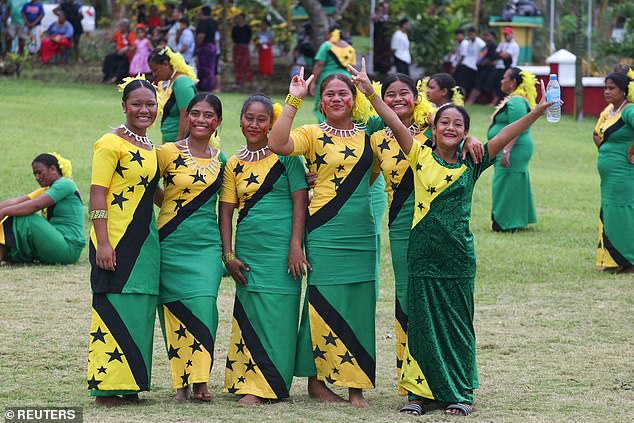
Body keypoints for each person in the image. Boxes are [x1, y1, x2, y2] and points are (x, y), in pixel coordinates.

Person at [349, 57, 552, 417]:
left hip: (457, 257)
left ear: (464, 131)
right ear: (434, 126)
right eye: (445, 121)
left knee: (457, 325)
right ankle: (417, 395)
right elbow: (395, 123)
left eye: (459, 124)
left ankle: (460, 392)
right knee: (420, 321)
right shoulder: (418, 154)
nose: (451, 127)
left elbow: (504, 135)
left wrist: (537, 111)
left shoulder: (473, 162)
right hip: (421, 254)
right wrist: (370, 91)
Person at [269, 71, 383, 408]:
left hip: (361, 231)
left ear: (354, 98)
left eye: (343, 93)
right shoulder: (312, 133)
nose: (336, 99)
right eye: (329, 94)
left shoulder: (369, 137)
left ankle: (356, 386)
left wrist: (372, 92)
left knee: (361, 304)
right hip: (325, 230)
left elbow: (372, 175)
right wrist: (294, 99)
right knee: (322, 303)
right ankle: (317, 382)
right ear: (320, 101)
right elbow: (278, 143)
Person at [370, 73, 483, 399]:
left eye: (404, 92)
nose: (397, 99)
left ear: (416, 97)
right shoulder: (377, 137)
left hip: (435, 225)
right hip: (401, 226)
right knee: (407, 302)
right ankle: (413, 384)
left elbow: (455, 129)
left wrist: (470, 138)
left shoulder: (432, 126)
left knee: (440, 302)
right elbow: (356, 174)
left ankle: (447, 375)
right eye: (389, 94)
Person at [219, 95, 309, 405]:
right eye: (249, 118)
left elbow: (301, 201)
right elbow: (226, 213)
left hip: (283, 251)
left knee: (279, 317)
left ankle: (270, 387)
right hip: (249, 252)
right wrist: (228, 255)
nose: (255, 124)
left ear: (271, 124)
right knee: (250, 316)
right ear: (240, 121)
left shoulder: (287, 158)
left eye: (262, 119)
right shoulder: (233, 163)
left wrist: (295, 246)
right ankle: (246, 381)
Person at [86, 77, 161, 407]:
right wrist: (103, 243)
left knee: (140, 308)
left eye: (150, 104)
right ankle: (107, 389)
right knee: (113, 306)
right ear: (124, 107)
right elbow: (97, 193)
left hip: (145, 241)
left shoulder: (150, 148)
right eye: (137, 104)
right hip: (115, 240)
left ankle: (130, 384)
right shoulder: (109, 143)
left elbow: (156, 194)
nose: (144, 110)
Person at [155, 93, 226, 401]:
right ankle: (182, 383)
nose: (200, 119)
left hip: (206, 247)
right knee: (175, 312)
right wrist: (171, 205)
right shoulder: (167, 152)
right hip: (170, 242)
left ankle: (202, 380)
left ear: (218, 122)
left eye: (207, 115)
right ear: (186, 118)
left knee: (204, 308)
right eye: (194, 113)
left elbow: (241, 195)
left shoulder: (222, 160)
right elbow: (142, 184)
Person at [0, 153, 85, 265]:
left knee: (27, 217)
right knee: (18, 211)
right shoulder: (48, 189)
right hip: (56, 244)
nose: (37, 178)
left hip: (69, 247)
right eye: (35, 174)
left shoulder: (65, 184)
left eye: (39, 172)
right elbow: (18, 201)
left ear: (53, 169)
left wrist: (4, 212)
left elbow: (36, 205)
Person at [593, 71, 634, 273]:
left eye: (612, 88)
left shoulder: (628, 110)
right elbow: (597, 133)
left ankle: (629, 261)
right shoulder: (611, 110)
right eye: (605, 87)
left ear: (624, 91)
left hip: (622, 174)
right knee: (610, 213)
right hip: (609, 176)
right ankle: (613, 260)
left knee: (622, 214)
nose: (607, 92)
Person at [488, 67, 538, 232]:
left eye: (504, 78)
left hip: (514, 149)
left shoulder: (517, 101)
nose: (501, 81)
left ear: (513, 83)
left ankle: (505, 222)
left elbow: (517, 127)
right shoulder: (513, 99)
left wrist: (506, 150)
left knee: (506, 182)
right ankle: (512, 219)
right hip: (511, 147)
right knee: (509, 182)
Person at [149, 47, 197, 143]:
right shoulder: (166, 83)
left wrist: (179, 144)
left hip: (180, 142)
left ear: (166, 64)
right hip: (169, 140)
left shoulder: (182, 82)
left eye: (156, 70)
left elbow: (187, 115)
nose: (154, 74)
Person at [309, 24, 356, 121]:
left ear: (329, 34)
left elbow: (319, 64)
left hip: (327, 78)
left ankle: (324, 128)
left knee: (323, 104)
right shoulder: (350, 48)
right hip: (346, 78)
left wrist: (313, 82)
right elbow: (352, 68)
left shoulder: (326, 45)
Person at [466, 30, 498, 105]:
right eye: (485, 35)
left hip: (490, 69)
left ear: (493, 37)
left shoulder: (494, 46)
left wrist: (485, 62)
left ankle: (471, 100)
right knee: (479, 84)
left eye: (488, 35)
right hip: (483, 68)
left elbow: (493, 58)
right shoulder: (486, 46)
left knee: (482, 85)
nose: (486, 37)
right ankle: (471, 100)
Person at [489, 27, 520, 106]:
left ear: (511, 35)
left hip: (509, 67)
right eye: (505, 34)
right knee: (494, 82)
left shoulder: (514, 45)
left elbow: (505, 55)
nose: (506, 36)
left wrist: (499, 54)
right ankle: (495, 100)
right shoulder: (502, 43)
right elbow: (496, 54)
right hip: (500, 67)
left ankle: (496, 101)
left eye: (507, 34)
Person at [453, 27, 484, 99]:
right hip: (466, 64)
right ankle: (459, 97)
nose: (470, 36)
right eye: (469, 34)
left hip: (474, 66)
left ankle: (462, 97)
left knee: (464, 82)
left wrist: (480, 62)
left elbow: (483, 53)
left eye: (472, 34)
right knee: (459, 80)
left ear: (475, 34)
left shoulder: (480, 43)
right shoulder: (469, 42)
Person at [102, 19, 135, 84]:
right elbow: (110, 40)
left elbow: (134, 46)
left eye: (121, 26)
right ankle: (109, 76)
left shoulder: (131, 35)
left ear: (126, 27)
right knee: (109, 58)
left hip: (127, 54)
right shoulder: (118, 34)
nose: (120, 27)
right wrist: (110, 33)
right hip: (118, 52)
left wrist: (126, 48)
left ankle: (116, 78)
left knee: (123, 62)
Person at [195, 5, 217, 92]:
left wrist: (197, 46)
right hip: (212, 46)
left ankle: (205, 86)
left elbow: (201, 36)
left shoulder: (203, 23)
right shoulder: (213, 22)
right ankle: (209, 86)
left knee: (204, 67)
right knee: (210, 67)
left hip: (206, 46)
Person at [231, 13, 253, 88]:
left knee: (246, 64)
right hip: (237, 47)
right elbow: (233, 38)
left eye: (240, 18)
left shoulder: (247, 28)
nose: (239, 20)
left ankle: (246, 82)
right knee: (237, 64)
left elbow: (250, 37)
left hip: (245, 47)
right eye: (238, 18)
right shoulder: (235, 28)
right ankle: (238, 81)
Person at [372, 1, 391, 76]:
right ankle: (378, 68)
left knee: (386, 54)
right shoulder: (377, 16)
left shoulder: (389, 18)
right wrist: (379, 12)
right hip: (378, 38)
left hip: (386, 40)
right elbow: (374, 20)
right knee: (378, 53)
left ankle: (385, 68)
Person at [255, 19, 274, 91]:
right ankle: (260, 85)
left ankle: (269, 86)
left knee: (268, 69)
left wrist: (267, 43)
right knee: (261, 69)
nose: (262, 26)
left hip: (268, 52)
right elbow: (256, 42)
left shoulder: (270, 33)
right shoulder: (258, 33)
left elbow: (273, 42)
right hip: (261, 52)